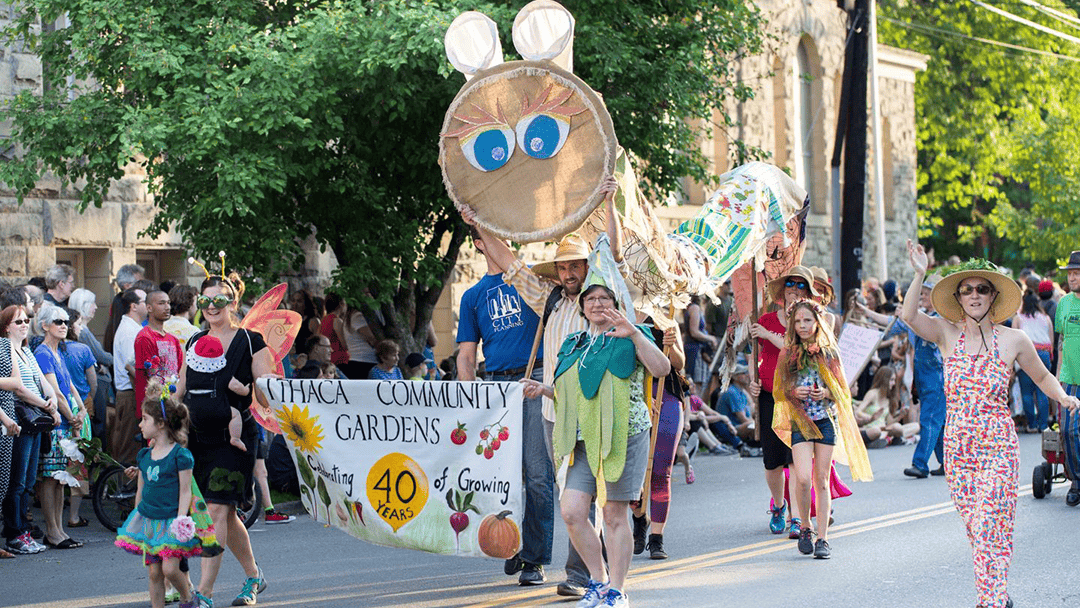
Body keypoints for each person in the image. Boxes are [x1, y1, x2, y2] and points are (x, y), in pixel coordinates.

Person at [462, 175, 622, 598]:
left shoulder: (601, 304)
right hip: (552, 413)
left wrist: (609, 201)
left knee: (584, 498)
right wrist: (478, 224)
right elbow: (510, 263)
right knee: (555, 490)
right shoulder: (547, 299)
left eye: (576, 266)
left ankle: (582, 574)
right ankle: (582, 567)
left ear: (588, 269)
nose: (569, 273)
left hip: (592, 414)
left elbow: (615, 256)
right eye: (564, 267)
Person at [902, 241, 1080, 608]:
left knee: (988, 528)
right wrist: (920, 273)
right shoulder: (946, 333)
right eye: (967, 289)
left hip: (998, 447)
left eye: (982, 288)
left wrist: (1062, 397)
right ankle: (997, 592)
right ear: (959, 296)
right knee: (979, 531)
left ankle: (992, 601)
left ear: (994, 295)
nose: (974, 295)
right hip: (959, 452)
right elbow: (908, 316)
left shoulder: (1015, 340)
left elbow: (1044, 376)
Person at [521, 283, 670, 608]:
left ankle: (617, 590)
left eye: (605, 298)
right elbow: (573, 393)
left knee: (613, 514)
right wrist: (544, 390)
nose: (597, 303)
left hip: (624, 437)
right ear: (583, 308)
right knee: (572, 511)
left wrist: (633, 333)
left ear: (616, 304)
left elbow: (662, 369)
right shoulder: (576, 343)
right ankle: (598, 582)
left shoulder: (635, 334)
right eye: (591, 299)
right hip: (582, 438)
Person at [456, 226, 554, 585]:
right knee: (499, 475)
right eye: (492, 235)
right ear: (480, 245)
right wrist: (470, 400)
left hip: (533, 377)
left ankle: (534, 558)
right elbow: (466, 358)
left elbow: (512, 261)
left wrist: (479, 218)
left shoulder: (529, 280)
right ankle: (513, 543)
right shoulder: (473, 296)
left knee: (537, 474)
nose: (504, 241)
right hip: (495, 384)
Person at [180, 273, 271, 608]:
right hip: (195, 440)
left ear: (232, 303)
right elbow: (180, 390)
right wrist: (162, 424)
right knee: (225, 515)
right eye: (204, 301)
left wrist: (256, 386)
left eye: (219, 300)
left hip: (235, 441)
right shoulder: (193, 342)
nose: (211, 307)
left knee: (217, 509)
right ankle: (253, 576)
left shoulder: (251, 341)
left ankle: (203, 592)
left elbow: (265, 396)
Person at [772, 299, 870, 560]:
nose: (803, 325)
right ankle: (805, 525)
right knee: (802, 479)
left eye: (807, 320)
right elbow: (778, 391)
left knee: (821, 480)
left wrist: (825, 392)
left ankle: (823, 538)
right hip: (800, 422)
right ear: (793, 325)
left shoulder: (829, 353)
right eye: (798, 321)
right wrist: (794, 391)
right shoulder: (787, 353)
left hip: (825, 420)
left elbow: (842, 391)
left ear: (817, 323)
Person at [114, 380, 200, 608]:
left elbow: (185, 491)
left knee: (170, 568)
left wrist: (181, 518)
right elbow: (141, 490)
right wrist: (136, 516)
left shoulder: (180, 456)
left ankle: (188, 596)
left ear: (160, 424)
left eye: (144, 419)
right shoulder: (144, 455)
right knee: (154, 573)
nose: (140, 424)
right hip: (149, 521)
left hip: (171, 520)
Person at [748, 266, 816, 538]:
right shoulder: (765, 320)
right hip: (769, 395)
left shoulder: (807, 321)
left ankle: (797, 517)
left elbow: (797, 348)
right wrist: (753, 379)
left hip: (797, 398)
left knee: (794, 460)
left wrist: (767, 336)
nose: (794, 290)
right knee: (772, 461)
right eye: (790, 285)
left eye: (800, 286)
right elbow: (756, 355)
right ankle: (778, 505)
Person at [0, 305, 57, 555]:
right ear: (6, 326)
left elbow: (42, 381)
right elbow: (19, 389)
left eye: (26, 320)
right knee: (18, 481)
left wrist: (52, 397)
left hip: (35, 419)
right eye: (18, 321)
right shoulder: (4, 350)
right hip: (20, 416)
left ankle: (23, 531)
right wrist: (44, 404)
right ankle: (14, 533)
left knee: (29, 480)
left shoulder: (26, 350)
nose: (24, 324)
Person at [33, 305, 87, 549]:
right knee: (50, 478)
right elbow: (54, 391)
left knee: (60, 480)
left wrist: (81, 408)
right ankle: (52, 530)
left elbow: (71, 386)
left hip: (66, 422)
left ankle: (60, 530)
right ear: (45, 325)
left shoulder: (59, 351)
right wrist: (72, 417)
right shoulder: (43, 353)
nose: (63, 325)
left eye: (66, 321)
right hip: (55, 424)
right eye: (57, 321)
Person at [631, 323, 687, 560]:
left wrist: (670, 343)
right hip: (632, 396)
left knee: (661, 469)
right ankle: (638, 517)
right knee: (634, 470)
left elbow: (679, 363)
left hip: (667, 396)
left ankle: (656, 537)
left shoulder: (666, 319)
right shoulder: (620, 315)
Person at [61, 309, 98, 528]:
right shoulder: (83, 350)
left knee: (54, 462)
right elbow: (93, 382)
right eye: (79, 324)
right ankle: (73, 515)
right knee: (78, 462)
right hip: (80, 408)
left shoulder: (46, 350)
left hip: (56, 409)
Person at [69, 287, 113, 441]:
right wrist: (104, 362)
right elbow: (103, 357)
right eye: (92, 303)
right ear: (83, 305)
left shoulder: (82, 330)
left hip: (90, 385)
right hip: (93, 386)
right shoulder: (83, 332)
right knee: (97, 428)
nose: (96, 307)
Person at [1055, 250, 1080, 507]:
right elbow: (1060, 343)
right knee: (1068, 431)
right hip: (1070, 380)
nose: (1072, 277)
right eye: (1070, 273)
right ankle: (1076, 481)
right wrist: (1056, 379)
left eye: (1076, 273)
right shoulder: (1063, 304)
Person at [112, 288, 148, 464]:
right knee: (129, 445)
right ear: (134, 306)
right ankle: (124, 487)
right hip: (131, 393)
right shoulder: (128, 330)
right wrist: (146, 391)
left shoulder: (134, 327)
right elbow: (131, 366)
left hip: (134, 393)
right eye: (144, 301)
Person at [1013, 291, 1054, 432]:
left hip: (1025, 354)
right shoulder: (1045, 317)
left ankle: (1031, 424)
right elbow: (1051, 340)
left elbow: (1014, 340)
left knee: (1027, 392)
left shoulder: (1018, 318)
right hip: (1043, 353)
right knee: (1042, 390)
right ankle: (1043, 425)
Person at [104, 263, 145, 355]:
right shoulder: (121, 303)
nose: (143, 286)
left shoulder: (118, 300)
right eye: (139, 283)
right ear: (127, 286)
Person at [342, 308, 379, 381]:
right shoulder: (357, 316)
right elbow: (370, 338)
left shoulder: (351, 316)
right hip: (362, 362)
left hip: (363, 361)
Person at [318, 293, 350, 369]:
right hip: (339, 359)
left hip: (328, 358)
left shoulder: (324, 320)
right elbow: (344, 344)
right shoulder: (336, 320)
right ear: (341, 304)